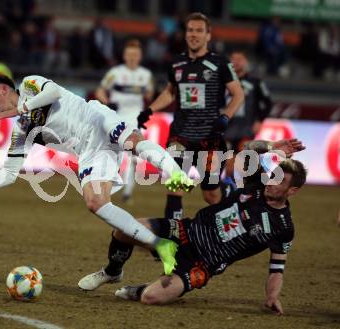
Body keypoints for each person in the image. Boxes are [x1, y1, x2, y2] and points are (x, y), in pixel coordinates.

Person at [0, 75, 196, 275]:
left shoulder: (29, 84)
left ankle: (175, 173)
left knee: (130, 141)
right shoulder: (22, 129)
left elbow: (54, 91)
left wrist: (19, 109)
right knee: (96, 203)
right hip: (90, 152)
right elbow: (9, 173)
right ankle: (160, 245)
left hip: (96, 119)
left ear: (3, 89)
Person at [78, 138, 306, 315]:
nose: (272, 182)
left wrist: (272, 297)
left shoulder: (283, 227)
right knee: (124, 229)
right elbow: (248, 150)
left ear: (292, 191)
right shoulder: (256, 184)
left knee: (151, 298)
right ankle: (113, 271)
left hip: (202, 263)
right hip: (185, 231)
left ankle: (143, 288)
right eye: (273, 176)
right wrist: (272, 146)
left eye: (280, 181)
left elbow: (277, 268)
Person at [137, 12, 245, 220]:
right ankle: (172, 239)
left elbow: (238, 94)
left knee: (211, 194)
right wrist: (149, 110)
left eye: (199, 31)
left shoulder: (221, 63)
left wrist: (226, 117)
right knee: (175, 185)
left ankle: (229, 198)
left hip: (210, 138)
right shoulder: (176, 63)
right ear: (185, 34)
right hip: (180, 136)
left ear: (208, 35)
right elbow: (170, 92)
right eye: (190, 30)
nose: (194, 34)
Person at [95, 39, 154, 202]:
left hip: (135, 119)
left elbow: (149, 94)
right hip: (117, 117)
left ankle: (127, 193)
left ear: (140, 56)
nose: (132, 57)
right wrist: (107, 102)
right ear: (124, 56)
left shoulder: (146, 75)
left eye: (135, 54)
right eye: (129, 54)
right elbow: (100, 90)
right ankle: (106, 187)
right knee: (112, 153)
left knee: (134, 156)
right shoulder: (115, 73)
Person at [224, 51, 272, 183]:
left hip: (245, 128)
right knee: (229, 164)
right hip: (227, 129)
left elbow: (267, 102)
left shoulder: (255, 82)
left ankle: (251, 187)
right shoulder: (222, 81)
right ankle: (230, 192)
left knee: (243, 160)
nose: (236, 62)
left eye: (240, 59)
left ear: (245, 62)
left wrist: (260, 120)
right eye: (233, 59)